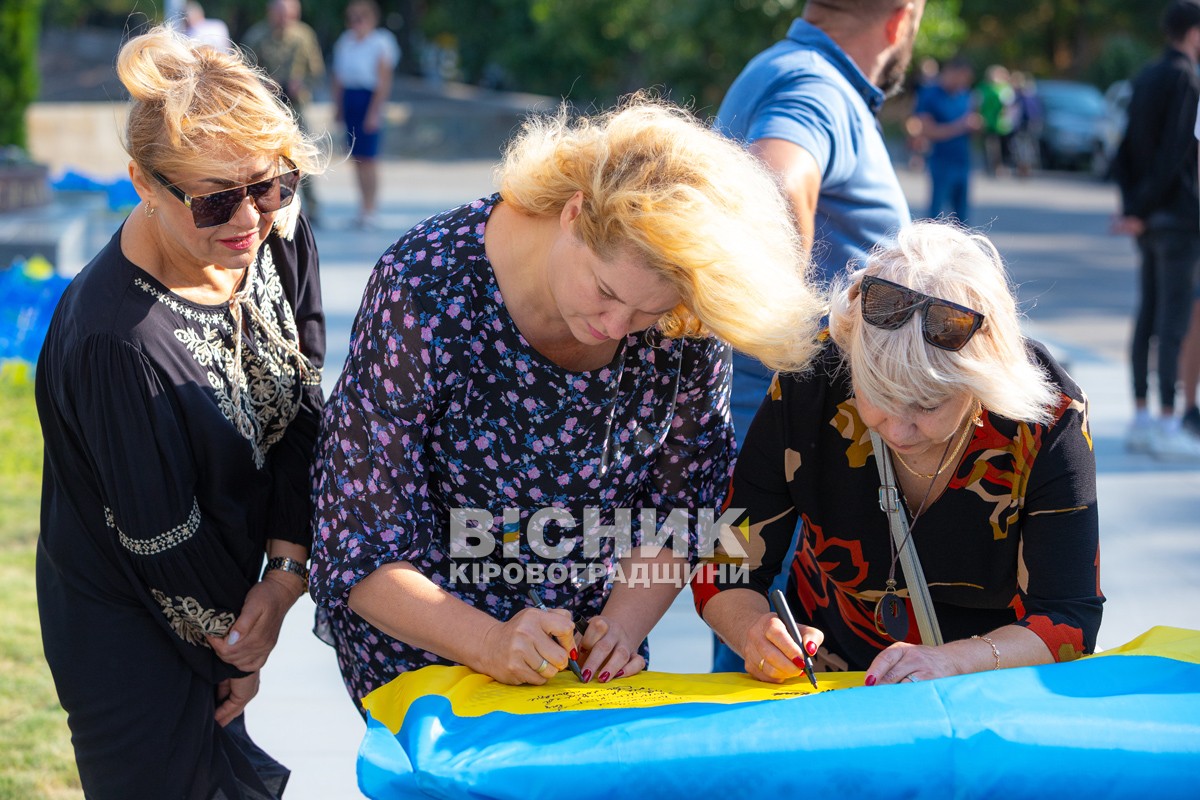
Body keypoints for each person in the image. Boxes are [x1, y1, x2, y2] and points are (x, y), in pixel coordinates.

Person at [308, 96, 827, 709]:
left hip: (583, 667)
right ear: (576, 214)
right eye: (606, 292)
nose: (615, 325)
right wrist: (490, 642)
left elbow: (681, 503)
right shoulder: (424, 286)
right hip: (428, 660)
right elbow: (356, 547)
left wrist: (623, 626)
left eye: (646, 311)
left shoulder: (683, 317)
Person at [35, 25, 326, 798]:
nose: (248, 220)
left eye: (269, 184)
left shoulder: (276, 233)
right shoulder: (113, 338)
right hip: (129, 621)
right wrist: (233, 646)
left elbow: (304, 408)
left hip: (233, 603)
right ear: (143, 183)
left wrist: (285, 576)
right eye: (214, 201)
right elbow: (159, 533)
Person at [693, 220, 1103, 685]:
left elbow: (1069, 617)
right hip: (830, 679)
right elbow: (725, 565)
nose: (900, 429)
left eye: (927, 405)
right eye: (878, 397)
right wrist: (752, 629)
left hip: (989, 682)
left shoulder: (1048, 414)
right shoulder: (810, 379)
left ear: (981, 384)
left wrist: (952, 660)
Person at [711, 0, 926, 671]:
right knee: (780, 679)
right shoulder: (814, 86)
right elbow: (777, 184)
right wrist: (795, 344)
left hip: (774, 442)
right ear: (902, 18)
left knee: (761, 664)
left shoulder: (781, 68)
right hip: (799, 458)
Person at [1112, 0, 1200, 460]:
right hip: (1179, 218)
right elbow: (1176, 152)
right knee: (1172, 320)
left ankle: (1141, 416)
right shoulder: (1185, 77)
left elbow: (1123, 150)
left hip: (1147, 220)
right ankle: (1168, 422)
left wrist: (1132, 209)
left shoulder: (1146, 76)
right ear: (1194, 32)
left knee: (1147, 313)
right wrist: (1145, 206)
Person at [243, 0, 327, 225]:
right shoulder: (257, 37)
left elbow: (316, 71)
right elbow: (246, 72)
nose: (285, 19)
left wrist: (303, 85)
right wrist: (265, 85)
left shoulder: (303, 36)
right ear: (271, 13)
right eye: (281, 14)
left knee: (303, 157)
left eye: (290, 14)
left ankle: (312, 208)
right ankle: (270, 205)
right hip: (268, 106)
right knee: (267, 159)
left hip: (296, 104)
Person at [331, 0, 400, 230]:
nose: (356, 22)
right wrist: (339, 108)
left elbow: (383, 80)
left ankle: (371, 208)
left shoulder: (381, 42)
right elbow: (339, 77)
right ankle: (362, 207)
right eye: (352, 17)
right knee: (357, 158)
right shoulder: (345, 42)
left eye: (361, 17)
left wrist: (374, 112)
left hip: (368, 99)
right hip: (351, 99)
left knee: (370, 158)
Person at [914, 56, 980, 225]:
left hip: (963, 160)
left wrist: (975, 126)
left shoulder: (965, 95)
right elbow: (928, 130)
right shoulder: (930, 95)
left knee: (963, 218)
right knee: (935, 215)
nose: (964, 83)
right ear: (950, 73)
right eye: (962, 78)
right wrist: (961, 126)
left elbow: (970, 127)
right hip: (941, 161)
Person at [977, 64, 1016, 177]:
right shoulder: (983, 88)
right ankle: (989, 166)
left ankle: (1000, 166)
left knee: (1003, 145)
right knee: (989, 145)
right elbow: (978, 103)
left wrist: (1007, 117)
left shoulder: (1004, 88)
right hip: (987, 121)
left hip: (1001, 122)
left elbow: (1008, 105)